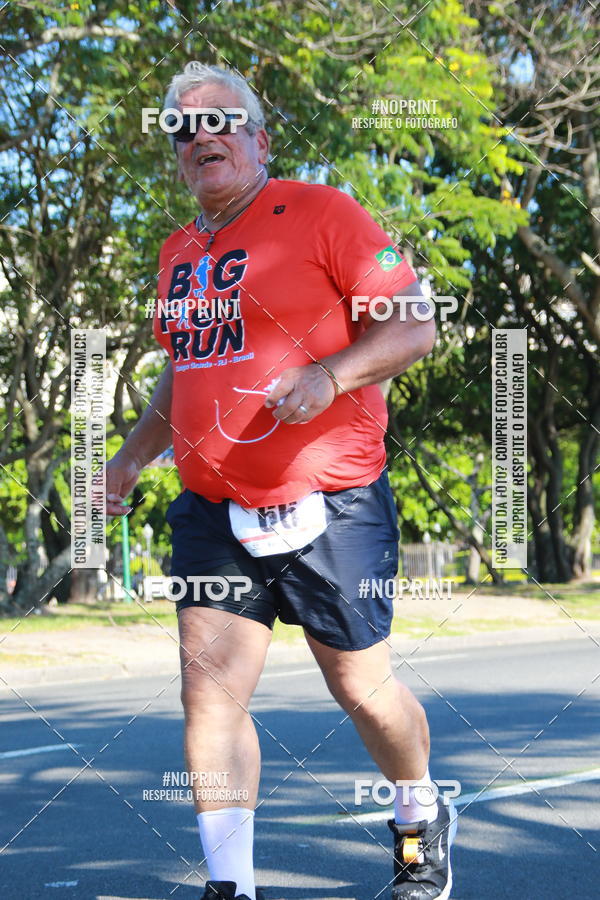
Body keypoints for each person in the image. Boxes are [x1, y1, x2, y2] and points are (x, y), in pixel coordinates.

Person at [106, 61, 456, 900]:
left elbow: (415, 324)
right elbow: (181, 372)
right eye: (182, 130)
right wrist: (128, 456)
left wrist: (331, 377)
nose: (201, 137)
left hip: (331, 502)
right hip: (213, 509)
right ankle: (231, 884)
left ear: (259, 139)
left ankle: (418, 817)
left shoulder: (322, 212)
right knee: (209, 696)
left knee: (363, 690)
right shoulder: (177, 253)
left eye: (220, 121)